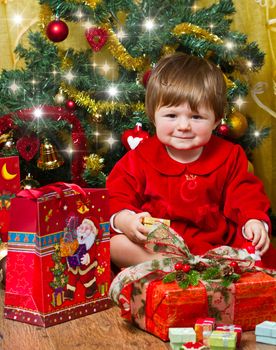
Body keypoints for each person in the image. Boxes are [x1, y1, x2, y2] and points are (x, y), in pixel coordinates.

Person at [106, 52, 276, 269]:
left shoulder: (229, 155)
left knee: (257, 249)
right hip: (159, 245)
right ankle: (170, 264)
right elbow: (116, 194)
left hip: (215, 244)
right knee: (114, 245)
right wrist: (125, 220)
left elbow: (245, 194)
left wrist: (253, 220)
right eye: (171, 116)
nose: (184, 126)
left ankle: (209, 267)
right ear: (153, 115)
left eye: (196, 117)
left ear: (215, 120)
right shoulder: (140, 158)